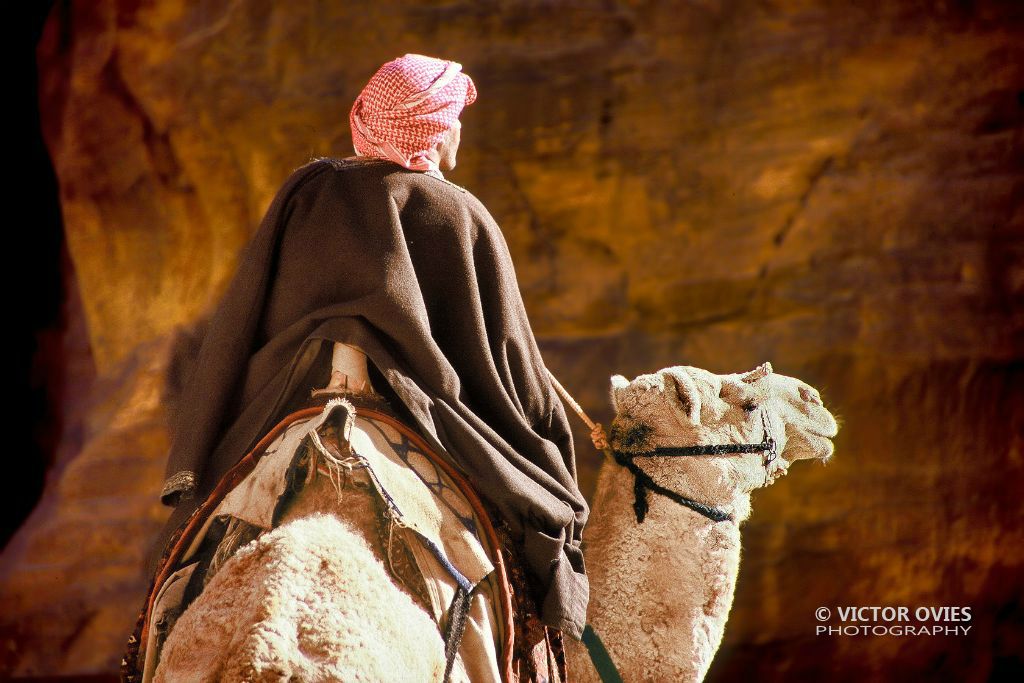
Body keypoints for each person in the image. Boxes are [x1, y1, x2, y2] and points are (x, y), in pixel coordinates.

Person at [146, 53, 591, 652]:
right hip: (423, 417)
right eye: (454, 116)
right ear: (435, 127)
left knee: (181, 555)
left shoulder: (306, 194)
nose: (460, 128)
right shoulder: (458, 214)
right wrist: (549, 439)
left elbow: (244, 316)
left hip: (285, 407)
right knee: (530, 539)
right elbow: (506, 361)